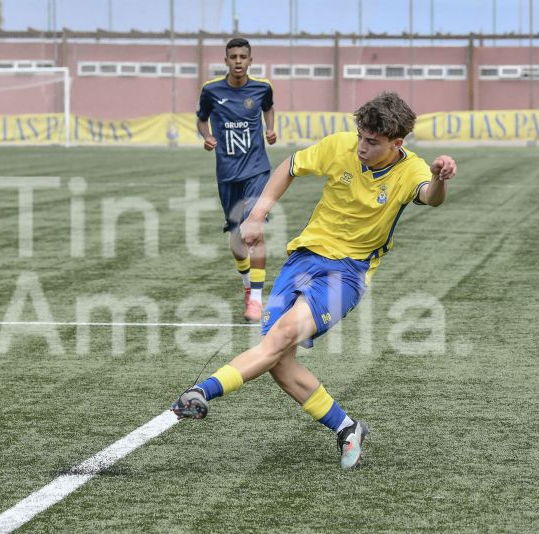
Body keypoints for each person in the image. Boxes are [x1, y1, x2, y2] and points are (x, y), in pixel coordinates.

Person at [173, 91, 457, 469]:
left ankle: (200, 392)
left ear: (397, 143)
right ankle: (347, 428)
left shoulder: (412, 170)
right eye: (360, 137)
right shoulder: (341, 146)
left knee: (280, 338)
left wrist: (439, 178)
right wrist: (256, 216)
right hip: (302, 259)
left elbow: (431, 197)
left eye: (372, 142)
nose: (362, 147)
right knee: (278, 360)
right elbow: (289, 166)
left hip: (347, 274)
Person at [196, 37, 277, 322]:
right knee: (236, 237)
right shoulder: (211, 90)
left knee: (253, 229)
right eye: (234, 57)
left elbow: (268, 107)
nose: (238, 61)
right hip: (227, 174)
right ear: (226, 60)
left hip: (257, 170)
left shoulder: (262, 88)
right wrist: (207, 136)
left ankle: (256, 300)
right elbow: (201, 118)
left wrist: (270, 129)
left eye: (243, 57)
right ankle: (247, 286)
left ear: (250, 60)